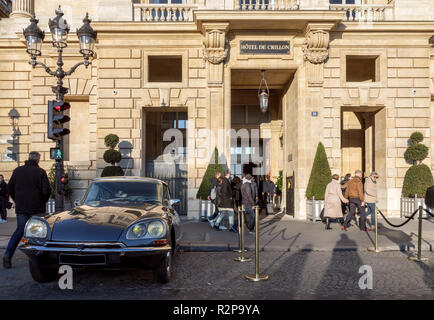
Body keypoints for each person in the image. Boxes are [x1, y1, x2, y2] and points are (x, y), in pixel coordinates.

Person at [3, 152, 51, 269]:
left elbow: (9, 188)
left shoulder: (18, 170)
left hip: (22, 207)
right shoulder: (40, 172)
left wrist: (17, 199)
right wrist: (42, 201)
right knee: (37, 232)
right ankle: (36, 260)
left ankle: (8, 255)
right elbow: (47, 191)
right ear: (38, 160)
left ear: (28, 158)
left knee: (19, 230)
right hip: (37, 208)